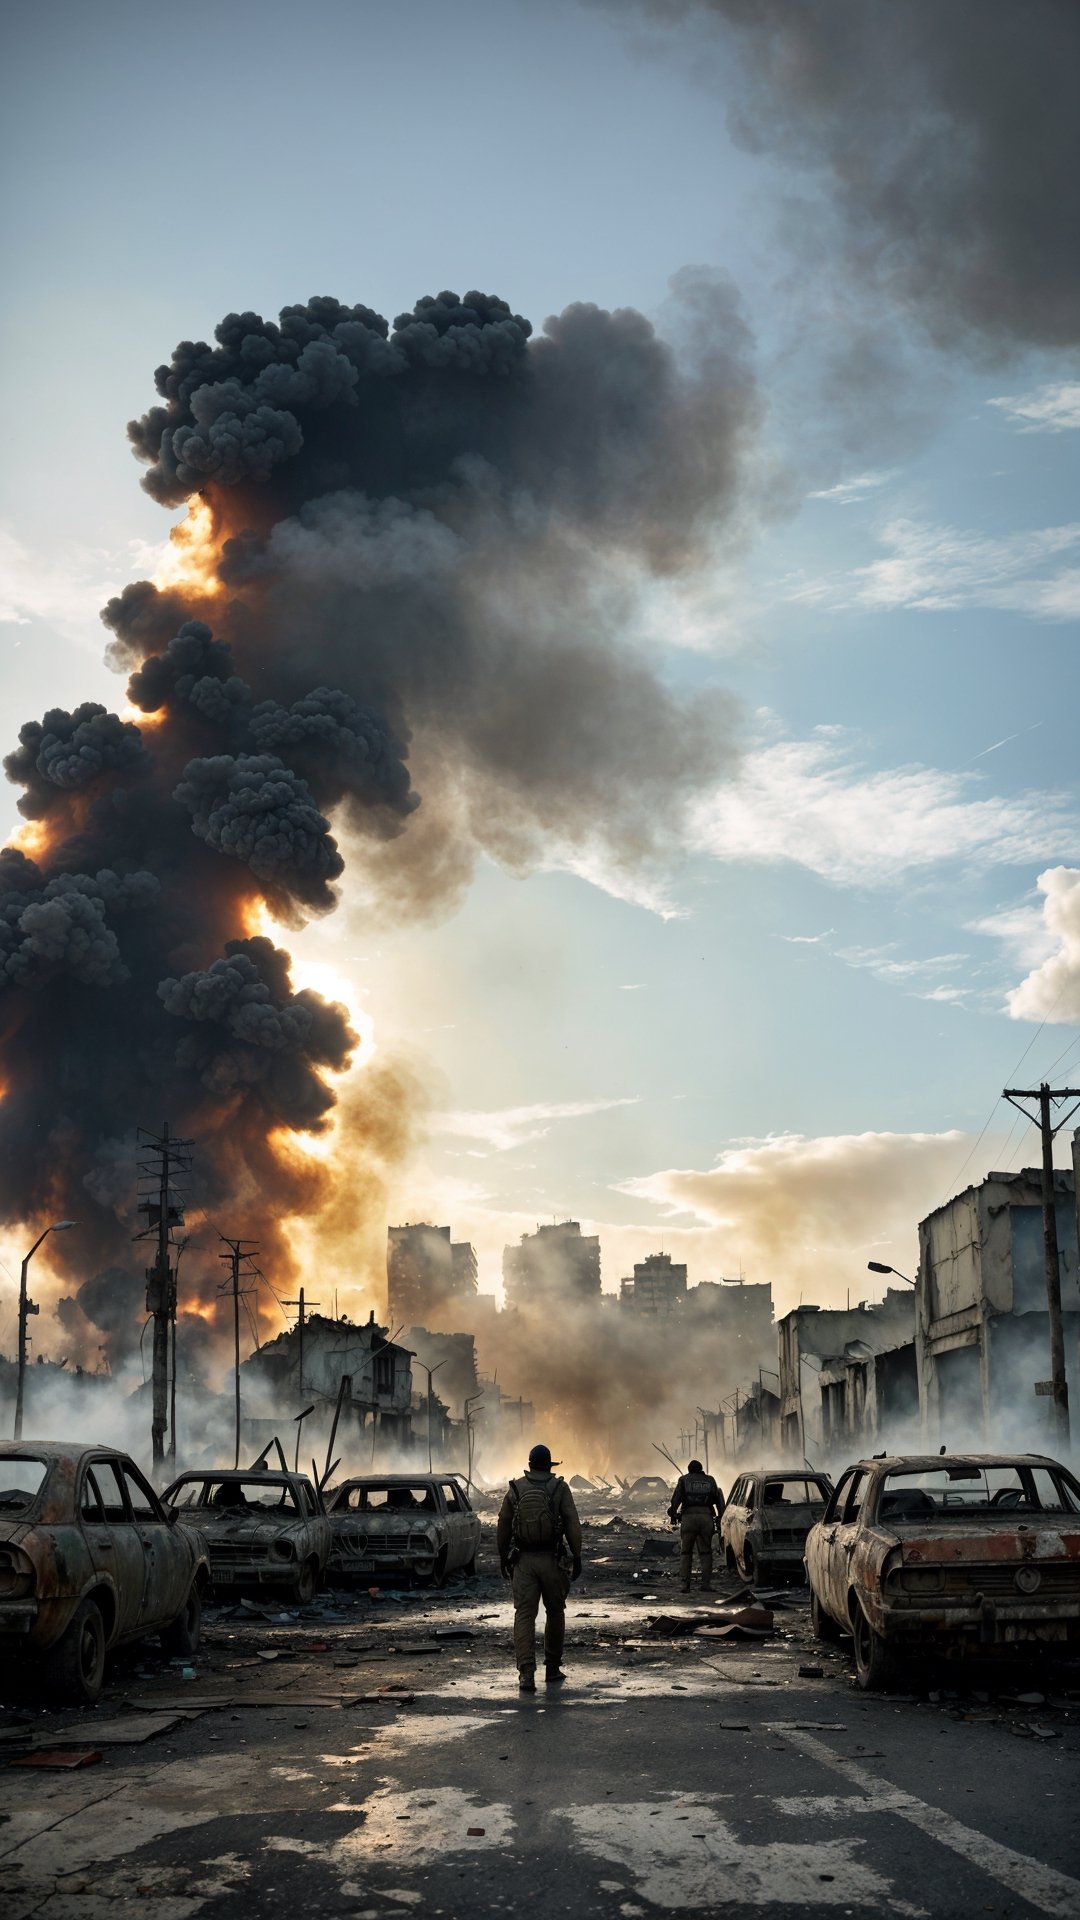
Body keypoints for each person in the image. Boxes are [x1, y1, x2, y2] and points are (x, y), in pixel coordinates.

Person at [497, 1443, 583, 1692]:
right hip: (552, 1560)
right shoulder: (559, 1488)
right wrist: (577, 1556)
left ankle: (526, 1674)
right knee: (555, 1611)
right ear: (549, 1465)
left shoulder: (516, 1488)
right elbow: (572, 1523)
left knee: (524, 1614)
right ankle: (553, 1669)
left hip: (523, 1561)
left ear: (530, 1465)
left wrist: (503, 1557)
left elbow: (503, 1524)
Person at [668, 1459, 723, 1592]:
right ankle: (706, 1584)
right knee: (705, 1552)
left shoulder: (684, 1480)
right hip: (706, 1517)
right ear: (701, 1469)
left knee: (686, 1552)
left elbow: (676, 1499)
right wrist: (720, 1518)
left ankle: (685, 1585)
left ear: (689, 1470)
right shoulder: (710, 1480)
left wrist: (673, 1513)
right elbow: (718, 1499)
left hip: (688, 1517)